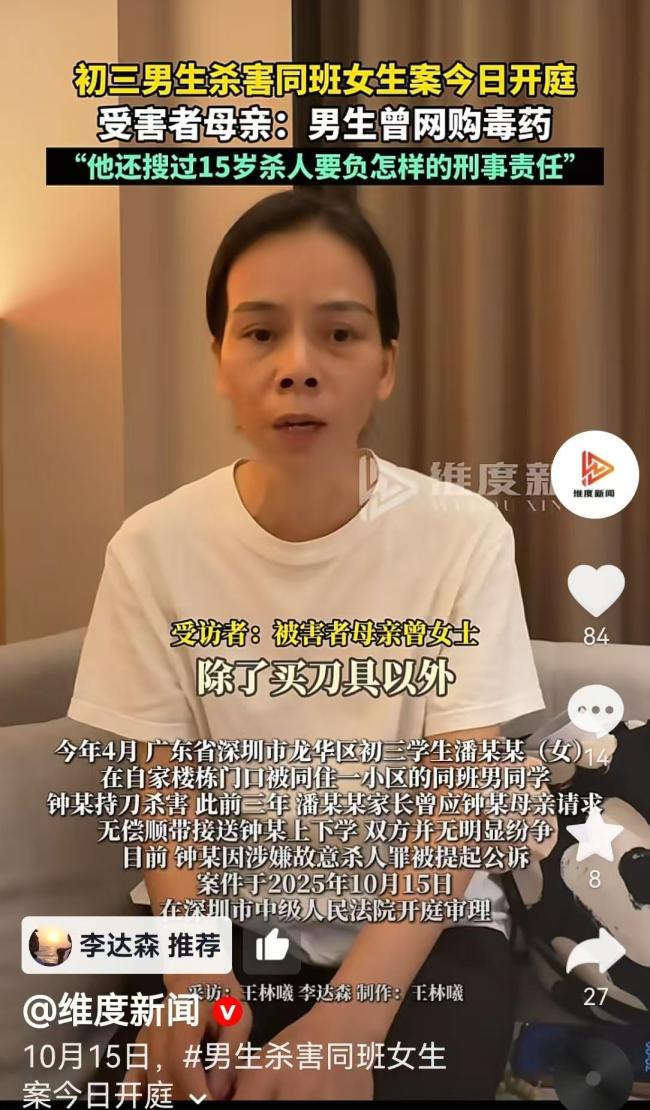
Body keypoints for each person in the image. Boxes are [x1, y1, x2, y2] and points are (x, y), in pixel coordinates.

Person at [68, 190, 557, 1101]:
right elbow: (165, 790)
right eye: (260, 333)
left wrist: (352, 1020)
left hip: (423, 934)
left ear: (385, 365)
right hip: (219, 928)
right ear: (219, 361)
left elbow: (460, 793)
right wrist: (195, 980)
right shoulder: (152, 548)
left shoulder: (462, 534)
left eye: (339, 334)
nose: (297, 367)